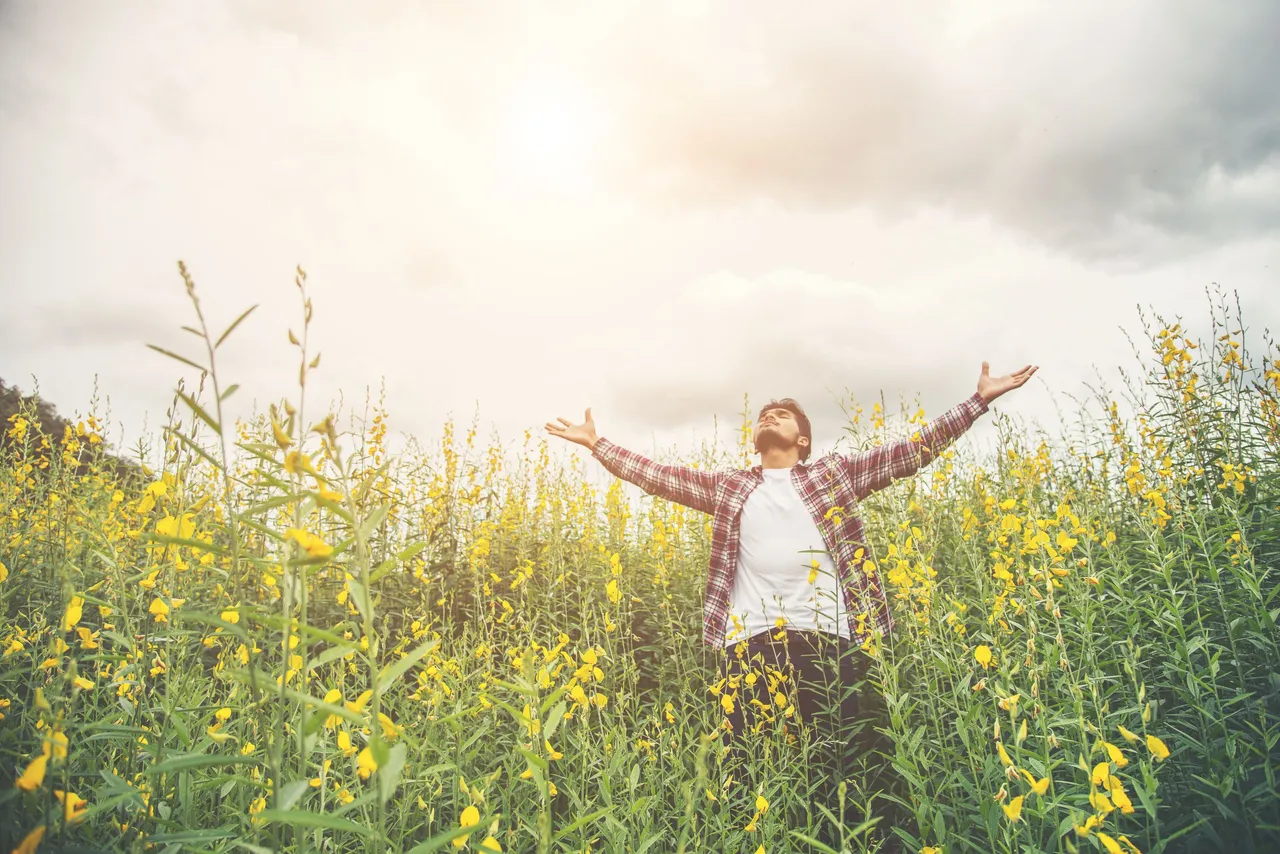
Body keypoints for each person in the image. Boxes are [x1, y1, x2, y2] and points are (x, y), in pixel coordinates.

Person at [545, 361, 1037, 851]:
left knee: (842, 762)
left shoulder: (834, 475)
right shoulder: (730, 487)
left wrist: (979, 401)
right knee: (744, 763)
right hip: (748, 643)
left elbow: (912, 451)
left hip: (827, 640)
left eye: (782, 414)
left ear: (803, 439)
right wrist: (597, 444)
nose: (770, 417)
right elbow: (656, 475)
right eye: (764, 414)